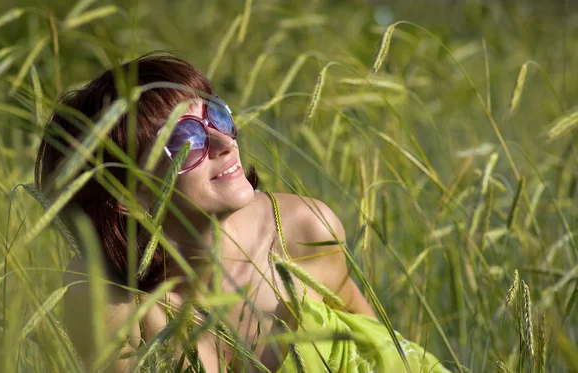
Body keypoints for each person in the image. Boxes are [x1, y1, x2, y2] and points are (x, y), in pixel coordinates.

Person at [35, 52, 451, 372]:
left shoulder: (306, 229)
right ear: (124, 193)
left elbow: (385, 351)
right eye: (186, 139)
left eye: (216, 114)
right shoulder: (112, 302)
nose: (224, 143)